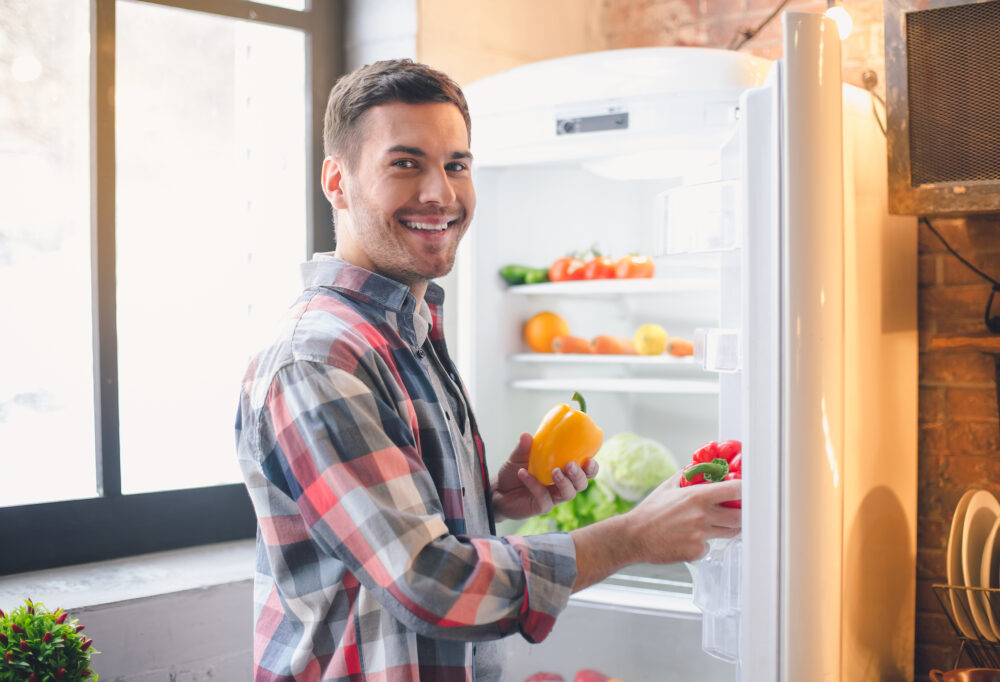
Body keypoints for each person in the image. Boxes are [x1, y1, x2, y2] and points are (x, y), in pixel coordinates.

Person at [235, 58, 741, 682]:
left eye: (456, 164)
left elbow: (389, 541)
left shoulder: (406, 333)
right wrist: (632, 536)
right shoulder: (318, 359)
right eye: (405, 163)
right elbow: (428, 582)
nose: (440, 194)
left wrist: (488, 503)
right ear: (336, 181)